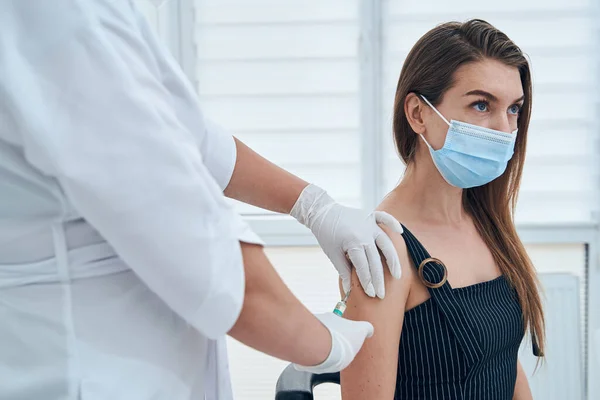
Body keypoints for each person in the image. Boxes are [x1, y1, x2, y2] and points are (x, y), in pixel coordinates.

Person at [0, 1, 404, 399]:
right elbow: (203, 253)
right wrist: (324, 344)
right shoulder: (60, 17)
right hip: (89, 370)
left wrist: (313, 204)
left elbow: (191, 135)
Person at [339, 19, 545, 399]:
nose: (504, 129)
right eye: (481, 105)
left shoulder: (486, 224)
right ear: (418, 114)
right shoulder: (384, 250)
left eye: (514, 109)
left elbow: (501, 362)